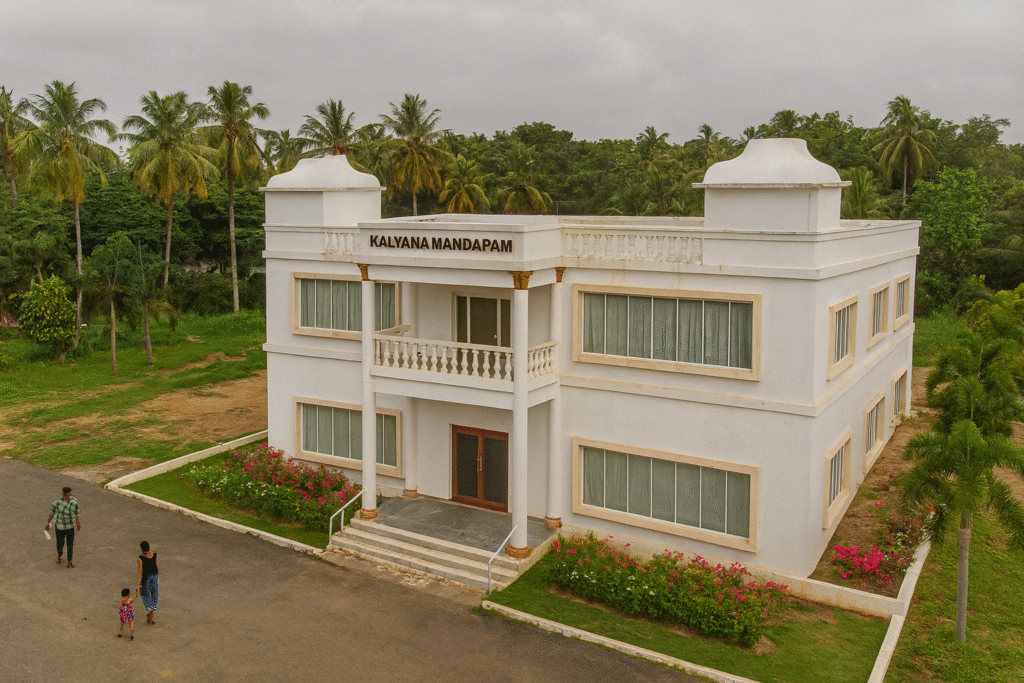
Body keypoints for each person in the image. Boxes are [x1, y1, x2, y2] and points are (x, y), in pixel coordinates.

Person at [44, 486, 81, 568]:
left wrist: (48, 524)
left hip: (59, 527)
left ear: (63, 494)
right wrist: (78, 524)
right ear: (70, 493)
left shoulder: (56, 503)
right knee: (70, 544)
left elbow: (51, 514)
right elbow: (76, 515)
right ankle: (70, 561)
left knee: (60, 543)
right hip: (70, 527)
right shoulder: (74, 502)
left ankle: (60, 557)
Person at [137, 541, 159, 624]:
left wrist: (137, 584)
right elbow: (157, 567)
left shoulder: (140, 558)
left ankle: (149, 613)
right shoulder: (155, 555)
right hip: (154, 577)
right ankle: (151, 614)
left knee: (145, 597)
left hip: (145, 579)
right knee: (154, 596)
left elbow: (140, 572)